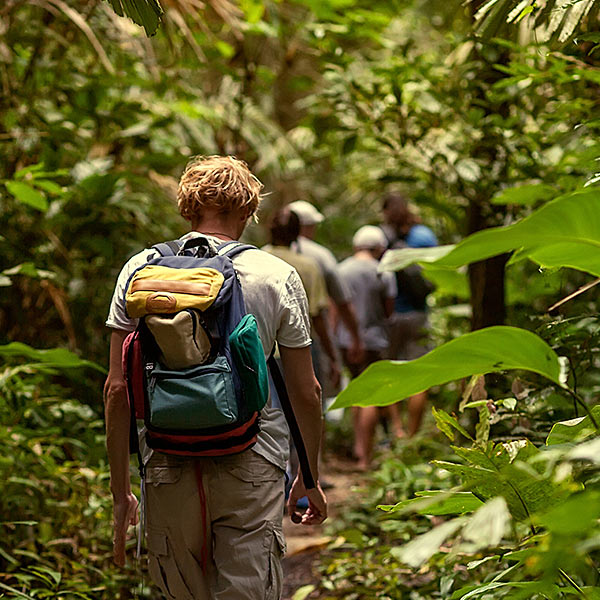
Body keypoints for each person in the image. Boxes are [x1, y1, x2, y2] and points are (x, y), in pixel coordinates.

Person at [103, 155, 327, 600]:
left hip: (166, 458)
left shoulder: (140, 269)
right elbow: (307, 390)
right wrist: (309, 475)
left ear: (187, 209)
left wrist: (119, 491)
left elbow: (116, 390)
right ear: (248, 211)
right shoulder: (276, 274)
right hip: (251, 456)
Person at [336, 225, 400, 471]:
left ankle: (359, 447)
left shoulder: (342, 270)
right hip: (374, 340)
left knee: (355, 390)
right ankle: (366, 457)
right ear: (379, 248)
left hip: (346, 340)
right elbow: (389, 310)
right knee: (370, 395)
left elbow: (336, 307)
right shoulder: (383, 272)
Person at [263, 207, 340, 388]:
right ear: (297, 233)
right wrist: (332, 356)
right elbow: (318, 317)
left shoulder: (256, 260)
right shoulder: (308, 267)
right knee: (306, 409)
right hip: (300, 351)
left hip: (262, 350)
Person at [381, 192, 438, 437]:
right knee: (418, 375)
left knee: (389, 372)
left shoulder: (382, 237)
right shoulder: (423, 235)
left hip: (391, 315)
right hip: (418, 314)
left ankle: (397, 429)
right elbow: (437, 271)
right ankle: (413, 435)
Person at [288, 200, 364, 367]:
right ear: (306, 226)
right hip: (314, 338)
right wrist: (355, 337)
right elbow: (342, 300)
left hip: (275, 342)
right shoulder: (320, 256)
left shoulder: (266, 252)